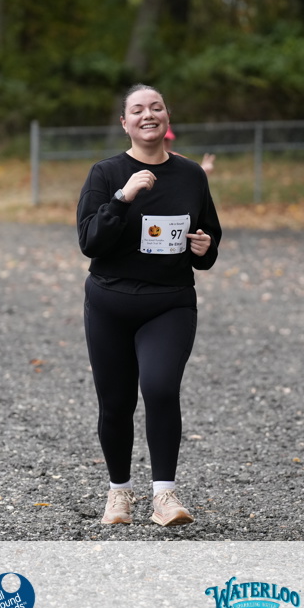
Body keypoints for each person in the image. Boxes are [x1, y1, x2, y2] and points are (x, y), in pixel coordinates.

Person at [77, 84, 221, 527]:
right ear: (125, 123)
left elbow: (208, 240)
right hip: (109, 304)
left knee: (160, 388)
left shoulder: (191, 175)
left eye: (156, 107)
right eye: (137, 110)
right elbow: (89, 241)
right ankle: (119, 493)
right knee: (116, 403)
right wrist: (123, 198)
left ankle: (164, 496)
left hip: (168, 304)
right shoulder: (106, 174)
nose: (148, 115)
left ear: (167, 118)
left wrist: (204, 247)